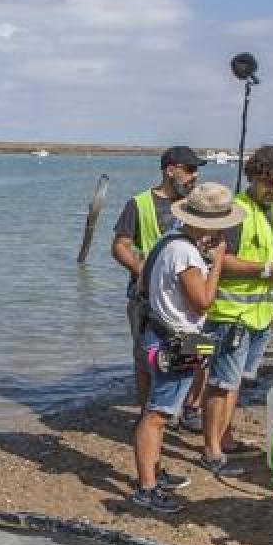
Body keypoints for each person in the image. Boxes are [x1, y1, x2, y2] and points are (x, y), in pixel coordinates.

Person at [128, 182, 241, 514]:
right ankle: (147, 487)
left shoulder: (168, 240)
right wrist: (217, 261)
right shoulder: (187, 253)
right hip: (174, 340)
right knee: (157, 416)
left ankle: (154, 473)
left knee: (157, 410)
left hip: (156, 333)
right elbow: (204, 302)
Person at [200, 144, 273, 477]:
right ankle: (212, 450)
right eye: (270, 183)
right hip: (232, 314)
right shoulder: (236, 211)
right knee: (222, 383)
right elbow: (219, 260)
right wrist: (265, 270)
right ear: (254, 177)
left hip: (263, 312)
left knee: (239, 381)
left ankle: (225, 437)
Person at [112, 145, 205, 411]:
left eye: (196, 171)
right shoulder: (139, 203)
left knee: (198, 352)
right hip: (146, 299)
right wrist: (144, 270)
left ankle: (190, 407)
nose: (194, 177)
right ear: (170, 170)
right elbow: (119, 247)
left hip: (190, 297)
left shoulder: (194, 205)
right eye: (189, 170)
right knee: (145, 359)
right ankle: (147, 412)